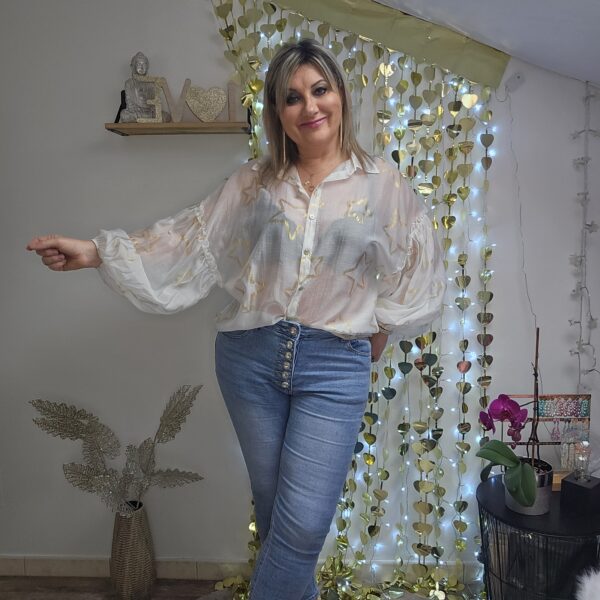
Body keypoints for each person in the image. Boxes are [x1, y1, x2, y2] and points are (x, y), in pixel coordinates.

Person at [27, 39, 445, 600]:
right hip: (250, 359)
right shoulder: (254, 183)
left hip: (333, 366)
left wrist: (381, 326)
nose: (309, 106)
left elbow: (413, 262)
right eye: (292, 97)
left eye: (319, 90)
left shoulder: (383, 184)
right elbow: (190, 238)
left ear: (341, 95)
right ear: (278, 112)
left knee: (302, 527)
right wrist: (97, 251)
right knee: (277, 519)